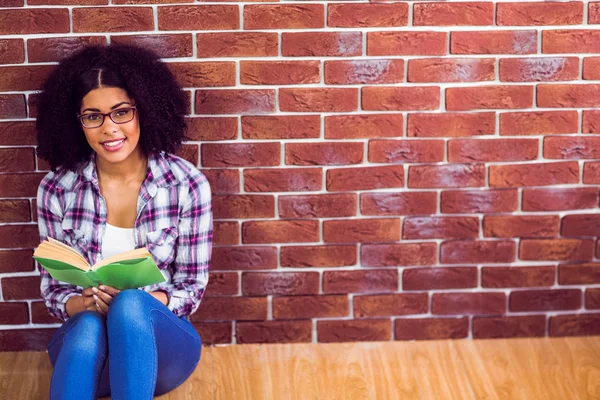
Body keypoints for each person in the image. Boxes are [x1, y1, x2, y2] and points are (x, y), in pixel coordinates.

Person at [35, 43, 212, 399]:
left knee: (130, 304)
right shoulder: (56, 189)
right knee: (85, 324)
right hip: (89, 358)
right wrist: (86, 303)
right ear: (77, 122)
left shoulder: (186, 184)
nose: (109, 128)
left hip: (163, 354)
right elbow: (54, 291)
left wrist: (126, 303)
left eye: (121, 113)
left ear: (142, 111)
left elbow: (191, 288)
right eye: (93, 116)